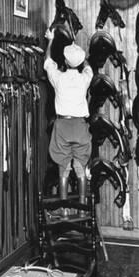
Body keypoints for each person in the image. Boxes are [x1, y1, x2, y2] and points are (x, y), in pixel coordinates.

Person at [44, 28, 93, 204]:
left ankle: (64, 210)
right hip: (80, 127)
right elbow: (88, 67)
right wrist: (81, 57)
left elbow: (48, 61)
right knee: (80, 167)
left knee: (63, 168)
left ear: (64, 61)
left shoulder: (58, 78)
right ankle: (82, 205)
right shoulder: (85, 78)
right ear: (79, 63)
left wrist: (50, 40)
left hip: (62, 127)